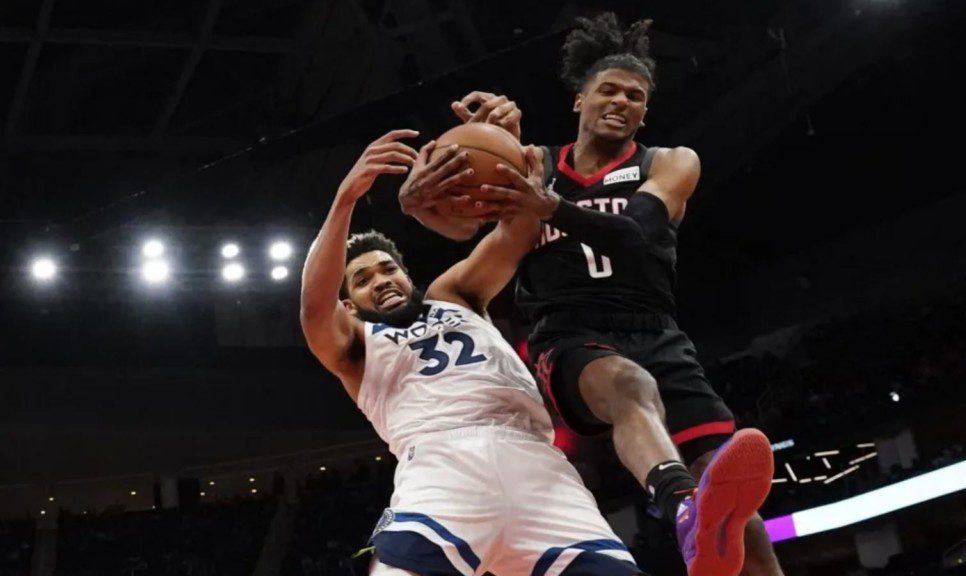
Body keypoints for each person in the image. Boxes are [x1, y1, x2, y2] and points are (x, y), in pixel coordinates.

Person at [401, 13, 784, 576]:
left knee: (742, 521)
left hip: (656, 331)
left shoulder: (671, 162)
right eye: (608, 90)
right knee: (631, 387)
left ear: (644, 112)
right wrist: (419, 202)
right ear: (579, 101)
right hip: (569, 336)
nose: (622, 101)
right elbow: (463, 225)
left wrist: (550, 207)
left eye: (635, 96)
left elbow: (635, 235)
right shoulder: (533, 165)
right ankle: (680, 507)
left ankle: (703, 514)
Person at [300, 129, 644, 576]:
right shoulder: (354, 345)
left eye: (388, 269)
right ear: (349, 305)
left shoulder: (455, 294)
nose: (382, 280)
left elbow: (519, 232)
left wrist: (514, 158)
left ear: (406, 274)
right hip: (443, 464)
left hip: (537, 465)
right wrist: (346, 199)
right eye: (363, 280)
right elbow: (313, 306)